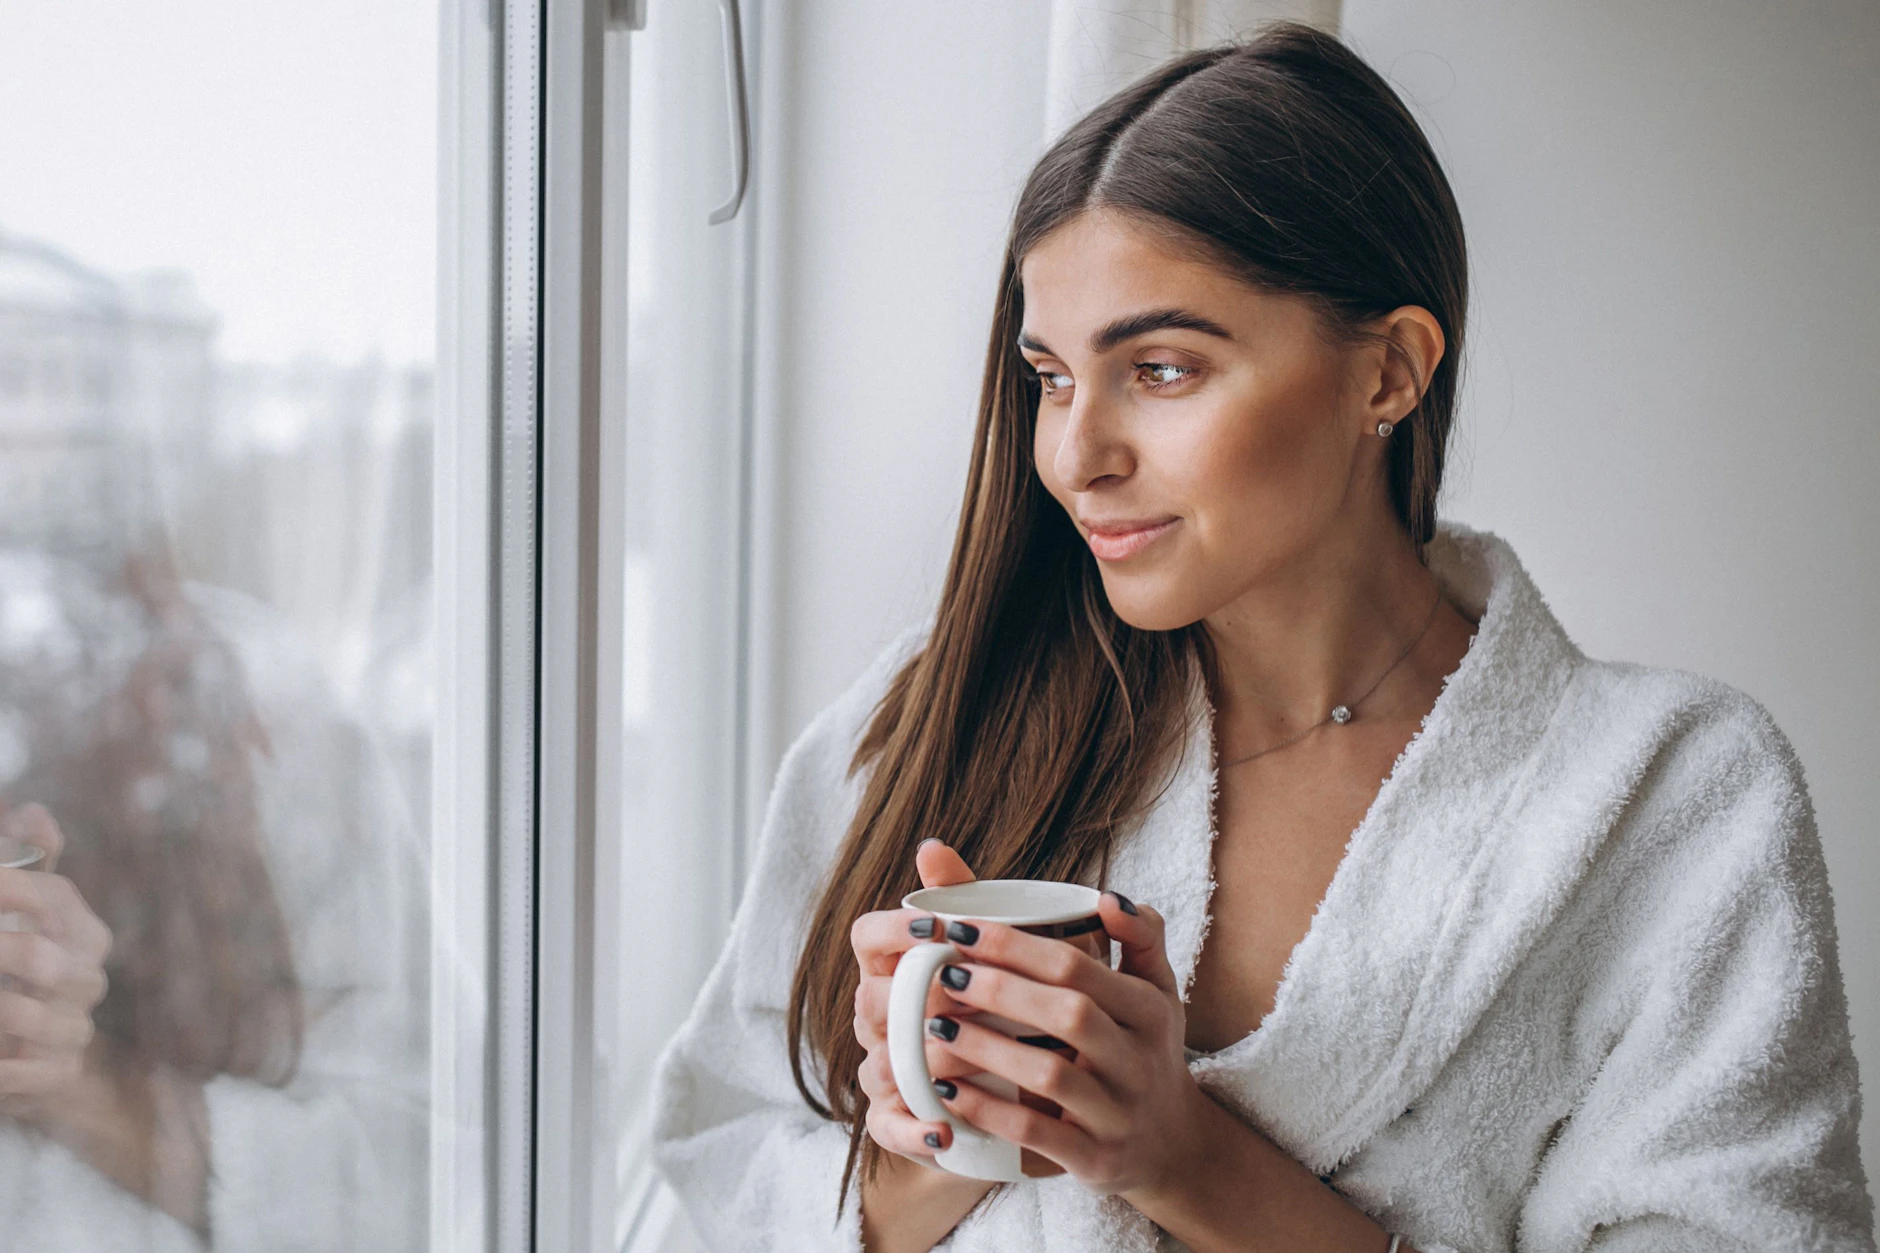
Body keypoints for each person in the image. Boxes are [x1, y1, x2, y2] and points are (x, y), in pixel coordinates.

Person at [650, 22, 1874, 1253]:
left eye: (1164, 368)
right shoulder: (942, 714)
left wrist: (1180, 1156)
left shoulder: (1669, 801)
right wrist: (938, 1134)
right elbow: (714, 1168)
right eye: (1051, 377)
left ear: (1386, 373)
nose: (1076, 457)